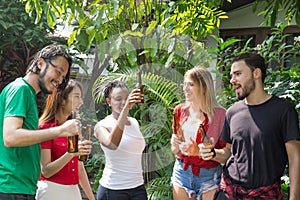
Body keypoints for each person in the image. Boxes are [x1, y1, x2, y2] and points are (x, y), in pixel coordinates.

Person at [200, 53, 300, 199]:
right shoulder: (232, 112)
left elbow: (295, 158)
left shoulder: (284, 110)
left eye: (238, 74)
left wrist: (294, 198)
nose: (232, 80)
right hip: (228, 192)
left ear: (256, 73)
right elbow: (229, 153)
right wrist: (213, 153)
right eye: (231, 75)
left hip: (264, 194)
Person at [0, 44, 81, 200]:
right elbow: (10, 137)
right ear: (40, 63)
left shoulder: (28, 94)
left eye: (63, 77)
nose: (59, 80)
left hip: (22, 188)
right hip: (11, 189)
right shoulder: (20, 89)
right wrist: (60, 131)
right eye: (58, 72)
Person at [170, 67, 226, 200]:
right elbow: (174, 149)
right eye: (184, 84)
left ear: (204, 87)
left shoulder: (221, 115)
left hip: (209, 176)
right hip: (181, 172)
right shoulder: (179, 111)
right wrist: (174, 143)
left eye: (191, 84)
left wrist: (210, 153)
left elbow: (227, 155)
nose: (185, 88)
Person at [36, 79, 95, 200]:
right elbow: (46, 171)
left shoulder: (74, 127)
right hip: (51, 191)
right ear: (62, 99)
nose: (81, 102)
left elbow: (79, 168)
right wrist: (71, 153)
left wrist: (92, 198)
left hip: (73, 191)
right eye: (77, 96)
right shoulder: (45, 128)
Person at [94, 80, 148, 200]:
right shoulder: (102, 126)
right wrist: (125, 110)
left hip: (138, 187)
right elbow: (112, 144)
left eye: (126, 98)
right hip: (113, 189)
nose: (123, 102)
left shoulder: (134, 122)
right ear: (109, 102)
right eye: (118, 99)